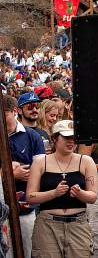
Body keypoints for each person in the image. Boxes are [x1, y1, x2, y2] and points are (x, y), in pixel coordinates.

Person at [26, 120, 98, 257]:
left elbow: (93, 197)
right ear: (54, 138)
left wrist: (80, 193)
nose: (71, 141)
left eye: (74, 138)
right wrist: (54, 193)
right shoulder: (41, 162)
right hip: (48, 225)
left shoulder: (86, 161)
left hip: (78, 223)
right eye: (66, 137)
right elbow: (30, 197)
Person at [4, 94, 45, 258]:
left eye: (3, 113)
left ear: (14, 111)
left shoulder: (32, 136)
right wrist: (11, 174)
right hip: (2, 209)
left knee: (27, 251)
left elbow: (40, 171)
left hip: (25, 209)